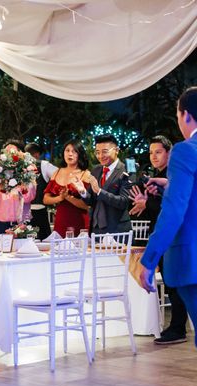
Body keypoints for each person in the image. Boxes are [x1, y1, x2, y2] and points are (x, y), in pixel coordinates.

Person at [139, 96, 197, 340]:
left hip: (192, 258)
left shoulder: (185, 150)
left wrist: (149, 258)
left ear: (185, 115)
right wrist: (170, 184)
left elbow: (174, 210)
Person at [0, 140, 36, 236]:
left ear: (20, 155)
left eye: (12, 152)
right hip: (0, 225)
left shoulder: (27, 172)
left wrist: (22, 179)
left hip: (22, 225)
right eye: (6, 152)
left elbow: (29, 198)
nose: (9, 155)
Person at [82, 134, 132, 234]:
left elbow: (124, 202)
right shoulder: (96, 170)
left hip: (118, 230)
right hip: (96, 229)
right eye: (97, 152)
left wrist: (100, 191)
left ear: (116, 150)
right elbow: (91, 201)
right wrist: (82, 192)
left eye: (105, 152)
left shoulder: (127, 169)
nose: (100, 156)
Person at [43, 139, 91, 236]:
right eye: (67, 150)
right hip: (60, 221)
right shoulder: (57, 172)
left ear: (80, 154)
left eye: (74, 151)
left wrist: (68, 197)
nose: (70, 154)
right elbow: (46, 199)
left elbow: (88, 206)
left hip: (79, 221)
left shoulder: (86, 174)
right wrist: (60, 198)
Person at [25, 142, 53, 240]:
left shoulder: (18, 167)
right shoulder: (44, 164)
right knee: (44, 244)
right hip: (39, 211)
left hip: (24, 213)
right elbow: (60, 176)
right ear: (37, 154)